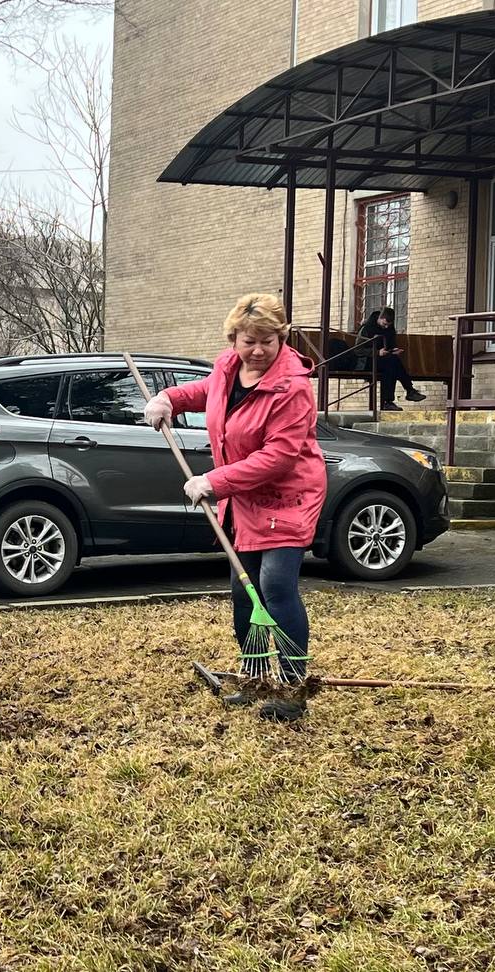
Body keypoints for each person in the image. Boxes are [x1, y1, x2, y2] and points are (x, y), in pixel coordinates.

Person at [143, 293, 327, 722]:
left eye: (268, 340)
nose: (258, 350)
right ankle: (255, 677)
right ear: (234, 339)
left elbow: (278, 457)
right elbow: (205, 392)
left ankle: (291, 689)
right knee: (244, 590)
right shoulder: (228, 369)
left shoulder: (292, 388)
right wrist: (168, 398)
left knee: (276, 586)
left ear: (282, 337)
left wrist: (214, 481)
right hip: (243, 498)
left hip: (288, 495)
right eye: (249, 341)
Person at [358, 306, 425, 411]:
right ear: (379, 318)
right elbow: (358, 350)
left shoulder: (390, 329)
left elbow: (390, 345)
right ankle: (408, 391)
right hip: (366, 361)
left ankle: (390, 401)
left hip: (383, 360)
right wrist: (376, 352)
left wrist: (393, 350)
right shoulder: (367, 328)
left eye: (388, 325)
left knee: (391, 364)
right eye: (384, 324)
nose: (386, 327)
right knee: (391, 363)